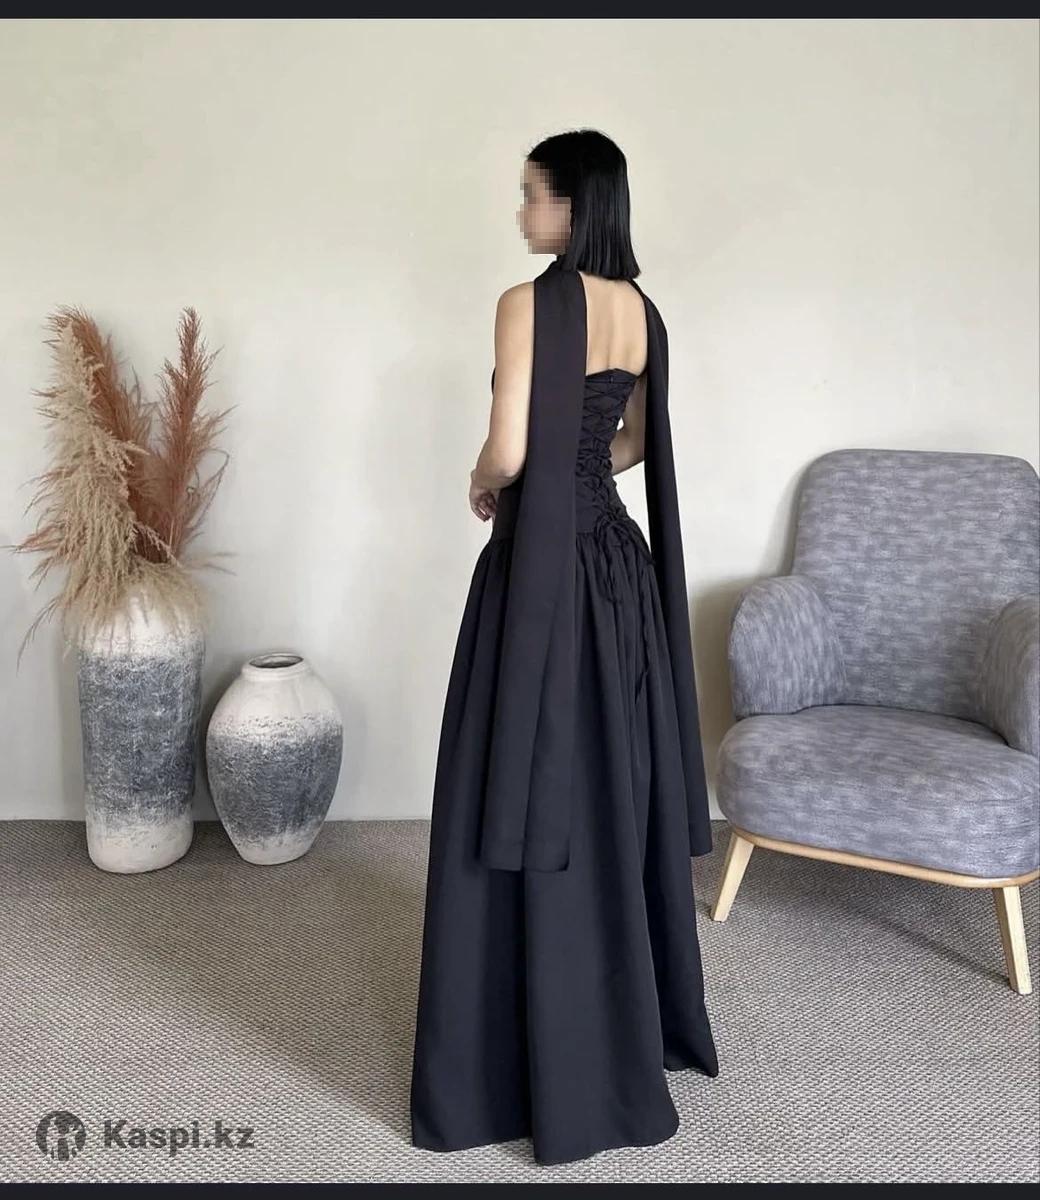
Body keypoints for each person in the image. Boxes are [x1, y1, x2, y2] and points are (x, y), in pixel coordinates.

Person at [410, 128, 719, 1168]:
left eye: (530, 195)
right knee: (601, 780)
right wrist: (572, 459)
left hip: (541, 569)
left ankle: (510, 1043)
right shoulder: (643, 312)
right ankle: (612, 1012)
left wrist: (483, 479)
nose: (520, 212)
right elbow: (628, 442)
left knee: (516, 771)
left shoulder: (525, 302)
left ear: (571, 205)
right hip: (616, 569)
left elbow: (507, 448)